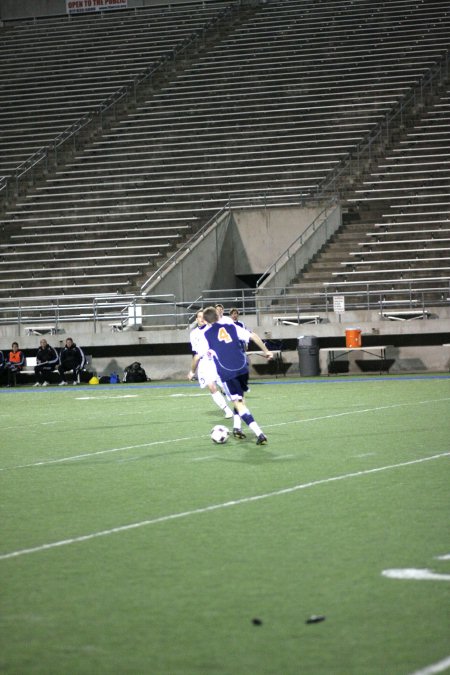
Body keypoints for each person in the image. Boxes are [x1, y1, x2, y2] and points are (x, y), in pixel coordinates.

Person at [195, 306, 273, 445]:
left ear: (206, 321)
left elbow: (197, 356)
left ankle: (259, 433)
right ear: (218, 316)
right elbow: (253, 336)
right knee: (241, 399)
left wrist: (191, 370)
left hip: (227, 372)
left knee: (239, 403)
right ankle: (237, 427)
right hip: (243, 368)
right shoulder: (232, 326)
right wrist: (267, 351)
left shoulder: (206, 334)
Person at [188, 309, 233, 420]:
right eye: (199, 317)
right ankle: (227, 410)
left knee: (224, 386)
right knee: (211, 387)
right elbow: (195, 352)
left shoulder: (213, 329)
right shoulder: (193, 334)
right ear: (196, 319)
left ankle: (232, 398)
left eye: (203, 316)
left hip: (216, 360)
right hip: (204, 363)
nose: (202, 318)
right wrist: (193, 369)